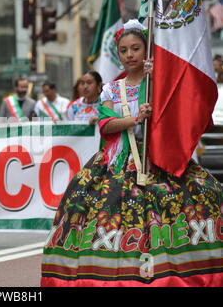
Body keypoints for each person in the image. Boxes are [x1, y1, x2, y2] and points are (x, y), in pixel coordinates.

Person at [41, 20, 223, 286]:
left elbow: (180, 115)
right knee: (107, 217)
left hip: (160, 158)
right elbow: (106, 124)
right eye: (124, 50)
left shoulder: (159, 83)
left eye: (135, 48)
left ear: (146, 51)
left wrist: (159, 81)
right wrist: (135, 119)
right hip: (116, 163)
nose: (129, 55)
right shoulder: (112, 89)